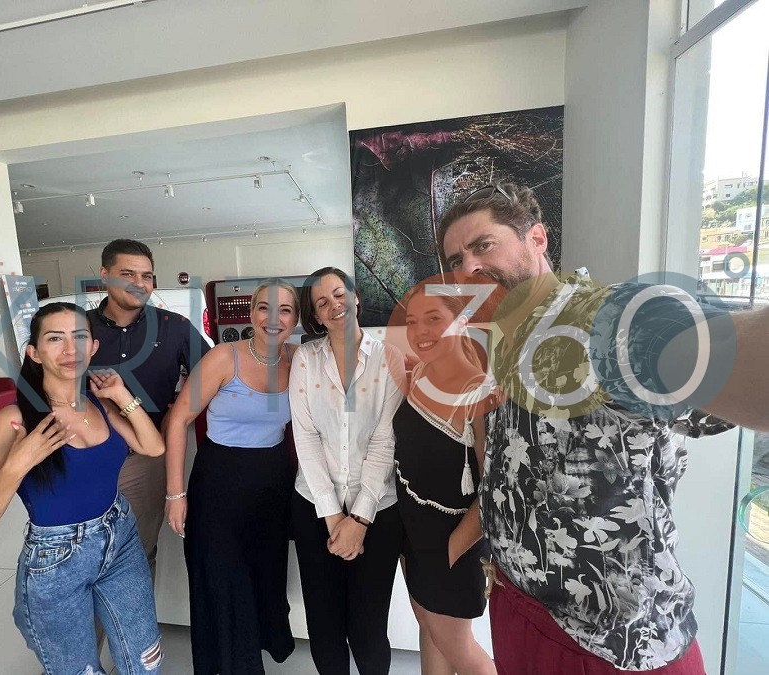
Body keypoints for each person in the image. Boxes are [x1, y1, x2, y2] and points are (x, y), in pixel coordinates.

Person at [435, 182, 769, 674]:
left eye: (483, 245)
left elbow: (704, 349)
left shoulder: (600, 321)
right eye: (455, 261)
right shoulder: (502, 340)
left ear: (537, 239)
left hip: (612, 642)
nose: (468, 269)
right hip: (516, 605)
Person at [0, 302, 164, 675]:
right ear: (34, 353)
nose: (70, 349)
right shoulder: (14, 420)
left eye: (80, 337)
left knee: (146, 662)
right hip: (57, 558)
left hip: (121, 537)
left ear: (93, 347)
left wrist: (121, 396)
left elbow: (153, 447)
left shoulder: (97, 402)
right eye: (55, 339)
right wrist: (18, 463)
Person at [164, 279, 299, 674]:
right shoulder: (224, 357)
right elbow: (179, 420)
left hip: (273, 484)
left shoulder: (297, 358)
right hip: (219, 484)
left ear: (295, 319)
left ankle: (254, 654)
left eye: (284, 310)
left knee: (263, 577)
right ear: (251, 313)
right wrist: (175, 494)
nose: (273, 319)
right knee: (224, 582)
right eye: (264, 308)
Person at [289, 266, 404, 675]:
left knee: (369, 630)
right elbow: (306, 438)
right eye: (322, 302)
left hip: (377, 511)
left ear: (355, 297)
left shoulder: (388, 358)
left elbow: (384, 441)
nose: (334, 305)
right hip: (314, 508)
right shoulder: (305, 359)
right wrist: (333, 516)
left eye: (340, 295)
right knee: (324, 628)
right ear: (315, 315)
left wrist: (359, 518)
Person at [87, 238, 211, 578]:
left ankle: (133, 615)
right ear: (105, 274)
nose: (139, 284)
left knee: (137, 551)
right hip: (85, 455)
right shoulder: (79, 327)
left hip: (144, 457)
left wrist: (178, 410)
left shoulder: (174, 327)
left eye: (147, 276)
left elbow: (210, 374)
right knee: (85, 552)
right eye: (128, 274)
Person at [392, 280, 497, 675]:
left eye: (434, 318)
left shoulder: (482, 395)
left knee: (460, 649)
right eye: (412, 321)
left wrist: (451, 551)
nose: (420, 331)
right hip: (412, 535)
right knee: (431, 632)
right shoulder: (420, 372)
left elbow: (495, 491)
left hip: (453, 543)